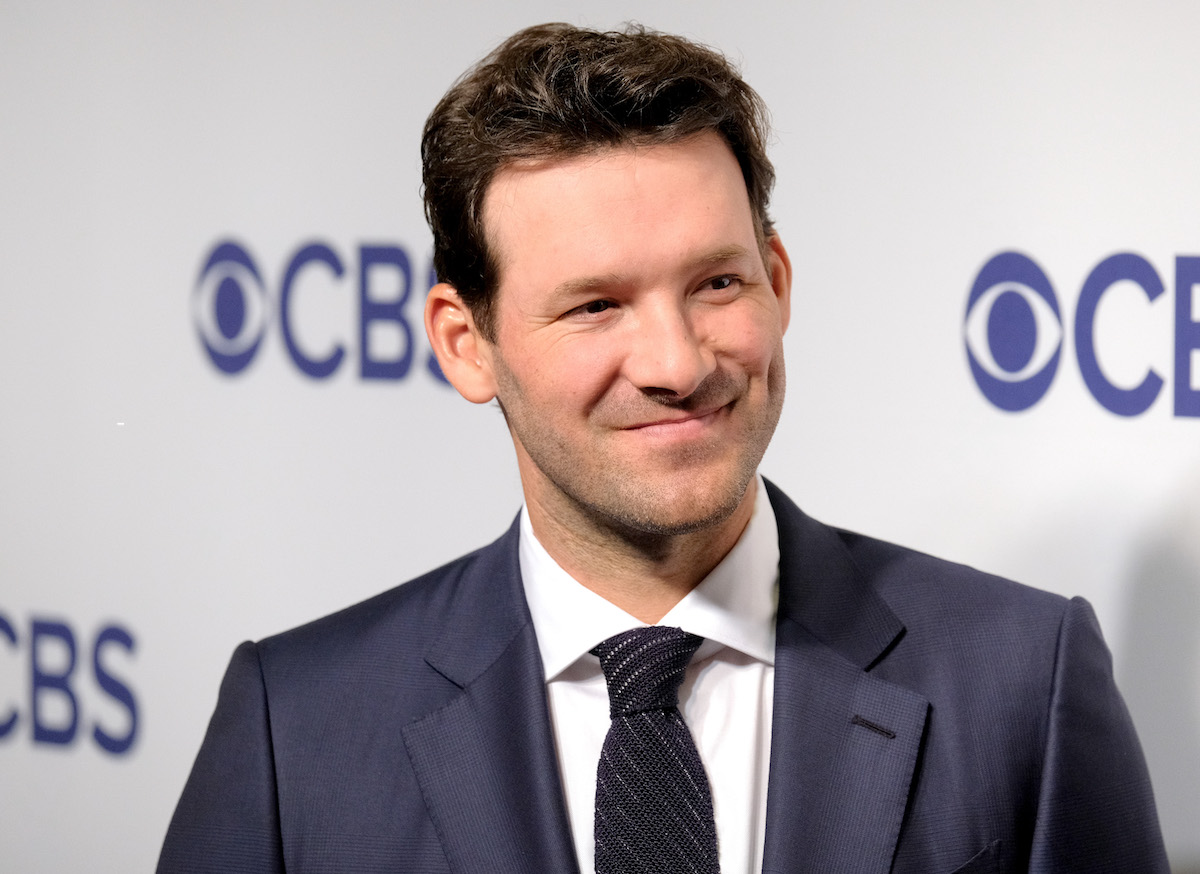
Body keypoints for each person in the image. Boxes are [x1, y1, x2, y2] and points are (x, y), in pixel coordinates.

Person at [158, 22, 1168, 874]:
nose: (678, 362)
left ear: (777, 279)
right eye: (596, 305)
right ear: (467, 345)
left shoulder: (1020, 681)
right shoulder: (296, 729)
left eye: (718, 283)